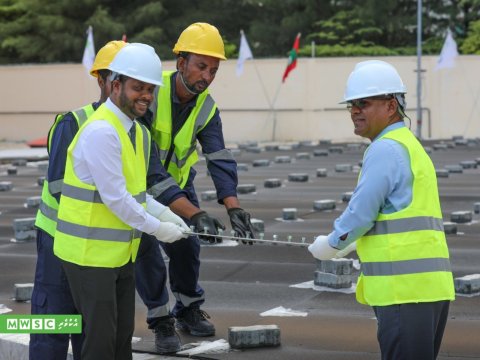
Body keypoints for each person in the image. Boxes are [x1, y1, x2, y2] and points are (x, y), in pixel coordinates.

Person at [308, 60, 455, 360]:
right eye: (351, 105)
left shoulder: (385, 149)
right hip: (428, 289)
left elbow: (362, 213)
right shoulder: (408, 145)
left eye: (363, 103)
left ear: (391, 106)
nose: (354, 111)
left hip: (404, 293)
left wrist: (333, 244)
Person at [53, 43, 189, 360]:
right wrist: (159, 229)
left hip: (118, 256)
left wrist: (169, 215)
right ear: (116, 85)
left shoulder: (138, 133)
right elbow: (117, 200)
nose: (146, 95)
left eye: (150, 90)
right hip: (88, 258)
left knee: (120, 341)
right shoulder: (101, 132)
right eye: (137, 87)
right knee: (100, 344)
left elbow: (137, 196)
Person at [134, 22, 256, 351]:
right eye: (201, 66)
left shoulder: (206, 106)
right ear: (181, 62)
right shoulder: (148, 93)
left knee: (187, 247)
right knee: (147, 253)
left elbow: (218, 156)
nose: (207, 76)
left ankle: (187, 309)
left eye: (214, 70)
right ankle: (160, 321)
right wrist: (196, 213)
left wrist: (234, 207)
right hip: (141, 186)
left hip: (179, 185)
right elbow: (150, 169)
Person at [30, 40, 127, 360]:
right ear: (101, 81)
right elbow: (60, 186)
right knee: (54, 325)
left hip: (95, 248)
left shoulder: (133, 130)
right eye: (113, 77)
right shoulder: (74, 122)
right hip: (59, 242)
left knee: (93, 333)